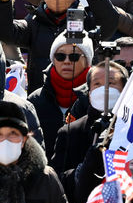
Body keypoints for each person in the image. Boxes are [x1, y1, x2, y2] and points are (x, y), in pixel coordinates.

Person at [0, 0, 120, 92]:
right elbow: (5, 32)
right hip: (42, 95)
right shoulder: (33, 22)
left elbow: (110, 25)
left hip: (80, 96)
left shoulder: (86, 21)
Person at [52, 61, 129, 203]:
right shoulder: (70, 131)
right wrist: (83, 171)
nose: (104, 89)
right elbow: (56, 181)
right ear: (89, 93)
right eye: (97, 84)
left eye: (111, 83)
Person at [28, 31, 91, 160]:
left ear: (87, 61)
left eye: (74, 56)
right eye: (60, 56)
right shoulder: (35, 100)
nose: (66, 62)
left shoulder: (96, 100)